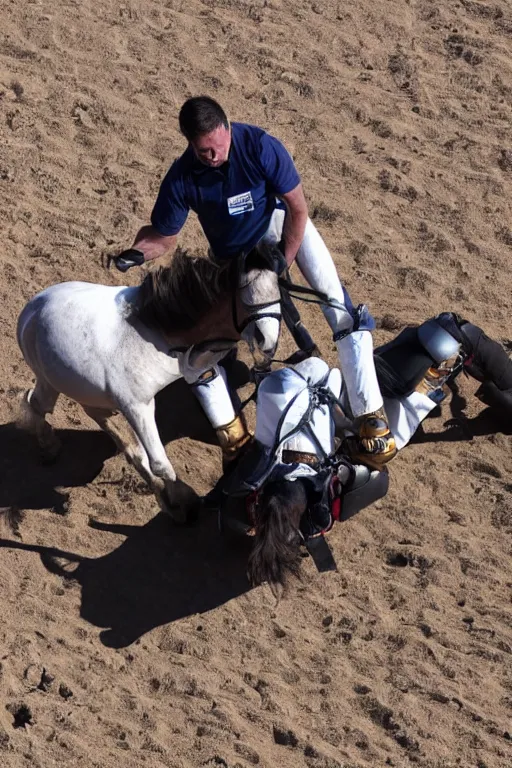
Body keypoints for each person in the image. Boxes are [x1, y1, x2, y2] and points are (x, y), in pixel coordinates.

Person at [111, 96, 396, 467]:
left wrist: (281, 264)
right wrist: (134, 253)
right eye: (203, 151)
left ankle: (371, 419)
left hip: (282, 232)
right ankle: (233, 438)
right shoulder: (182, 177)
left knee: (337, 308)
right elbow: (164, 238)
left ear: (228, 127)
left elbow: (298, 208)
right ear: (189, 144)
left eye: (216, 147)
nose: (212, 156)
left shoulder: (260, 146)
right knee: (198, 357)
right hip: (234, 263)